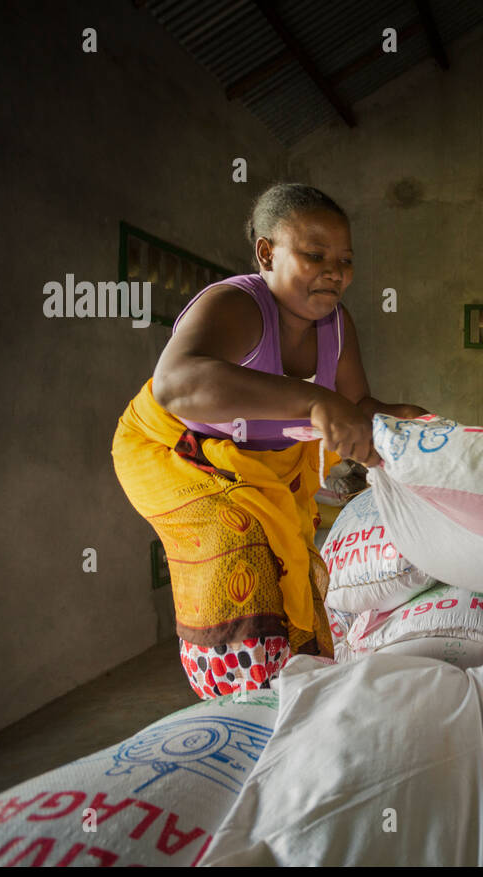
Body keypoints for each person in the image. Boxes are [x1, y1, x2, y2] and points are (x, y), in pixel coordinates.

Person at [111, 183, 427, 698]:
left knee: (295, 568)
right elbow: (175, 383)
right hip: (175, 454)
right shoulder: (239, 305)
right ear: (266, 253)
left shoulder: (338, 326)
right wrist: (311, 403)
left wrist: (403, 417)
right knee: (244, 548)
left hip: (258, 462)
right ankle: (241, 693)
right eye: (315, 254)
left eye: (345, 260)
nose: (335, 271)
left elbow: (357, 404)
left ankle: (301, 682)